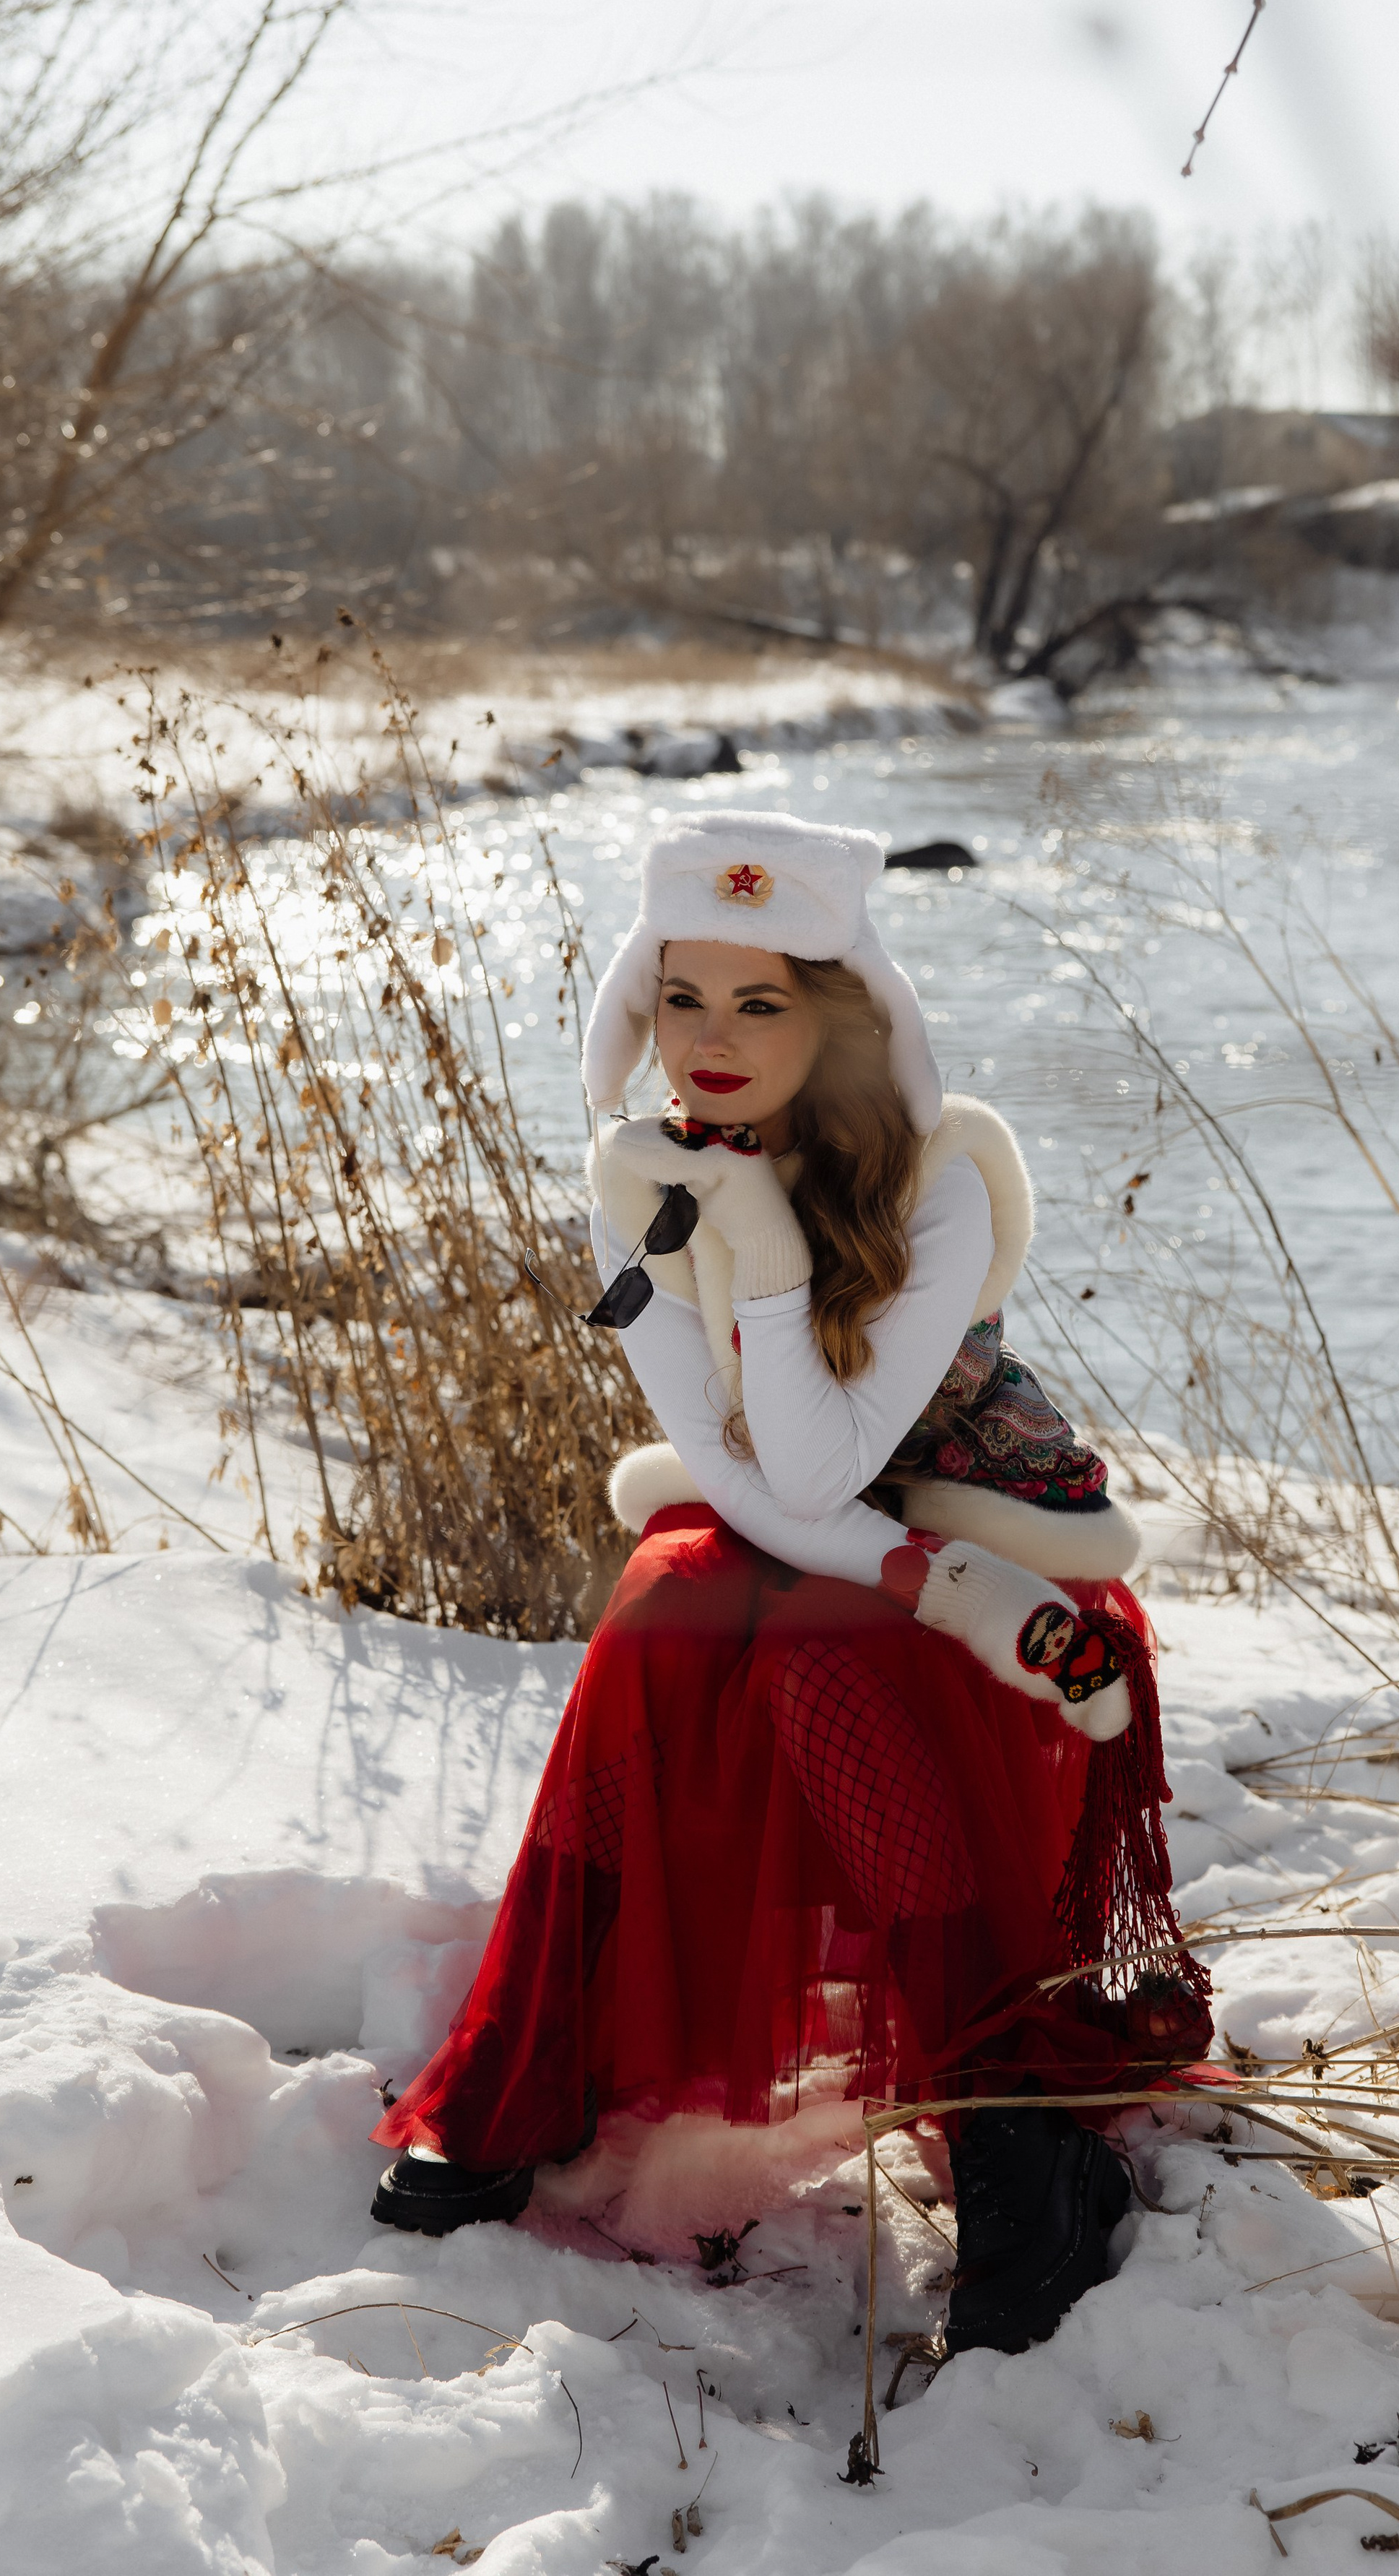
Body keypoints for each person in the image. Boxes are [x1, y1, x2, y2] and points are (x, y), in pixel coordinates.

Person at [370, 810, 1210, 2356]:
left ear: (839, 1018)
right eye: (680, 997)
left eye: (760, 1003)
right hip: (850, 1534)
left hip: (1007, 1552)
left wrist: (758, 1245)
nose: (709, 1041)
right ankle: (524, 2066)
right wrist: (905, 1567)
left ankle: (1007, 2128)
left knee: (827, 1671)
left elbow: (822, 1463)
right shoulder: (640, 1172)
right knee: (662, 1608)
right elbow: (726, 1452)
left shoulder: (941, 1176)